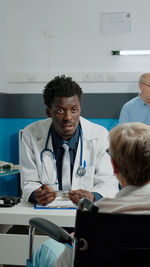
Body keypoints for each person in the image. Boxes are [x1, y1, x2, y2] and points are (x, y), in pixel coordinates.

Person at [35, 122, 150, 267]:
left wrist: (75, 240)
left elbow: (64, 265)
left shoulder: (98, 213)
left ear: (114, 166)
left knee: (46, 247)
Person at [20, 75, 118, 205]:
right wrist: (36, 194)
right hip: (46, 211)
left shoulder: (99, 135)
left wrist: (93, 196)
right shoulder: (31, 134)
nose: (68, 117)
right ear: (48, 112)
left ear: (80, 109)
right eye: (60, 110)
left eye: (74, 110)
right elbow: (28, 181)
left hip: (86, 212)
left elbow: (108, 182)